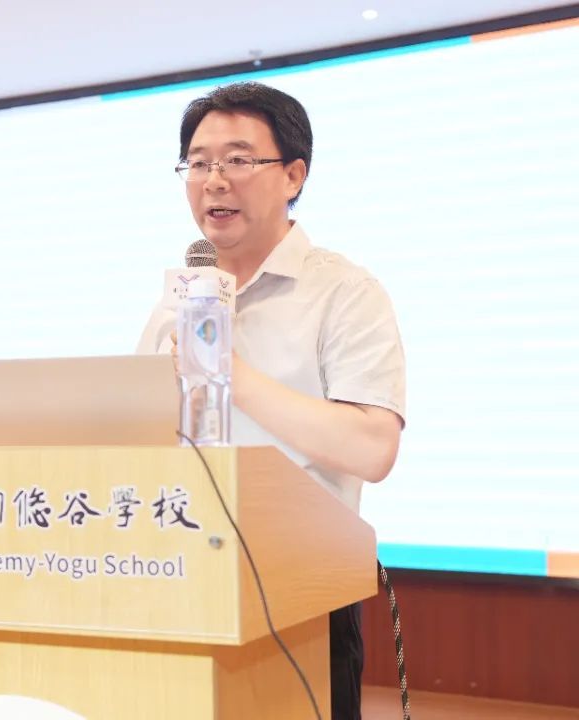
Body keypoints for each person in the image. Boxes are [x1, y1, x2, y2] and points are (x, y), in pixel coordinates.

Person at [137, 81, 406, 719]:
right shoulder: (179, 300)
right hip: (176, 577)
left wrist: (230, 373)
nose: (213, 180)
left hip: (301, 591)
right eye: (198, 163)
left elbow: (373, 448)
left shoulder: (343, 292)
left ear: (293, 175)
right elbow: (141, 436)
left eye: (237, 159)